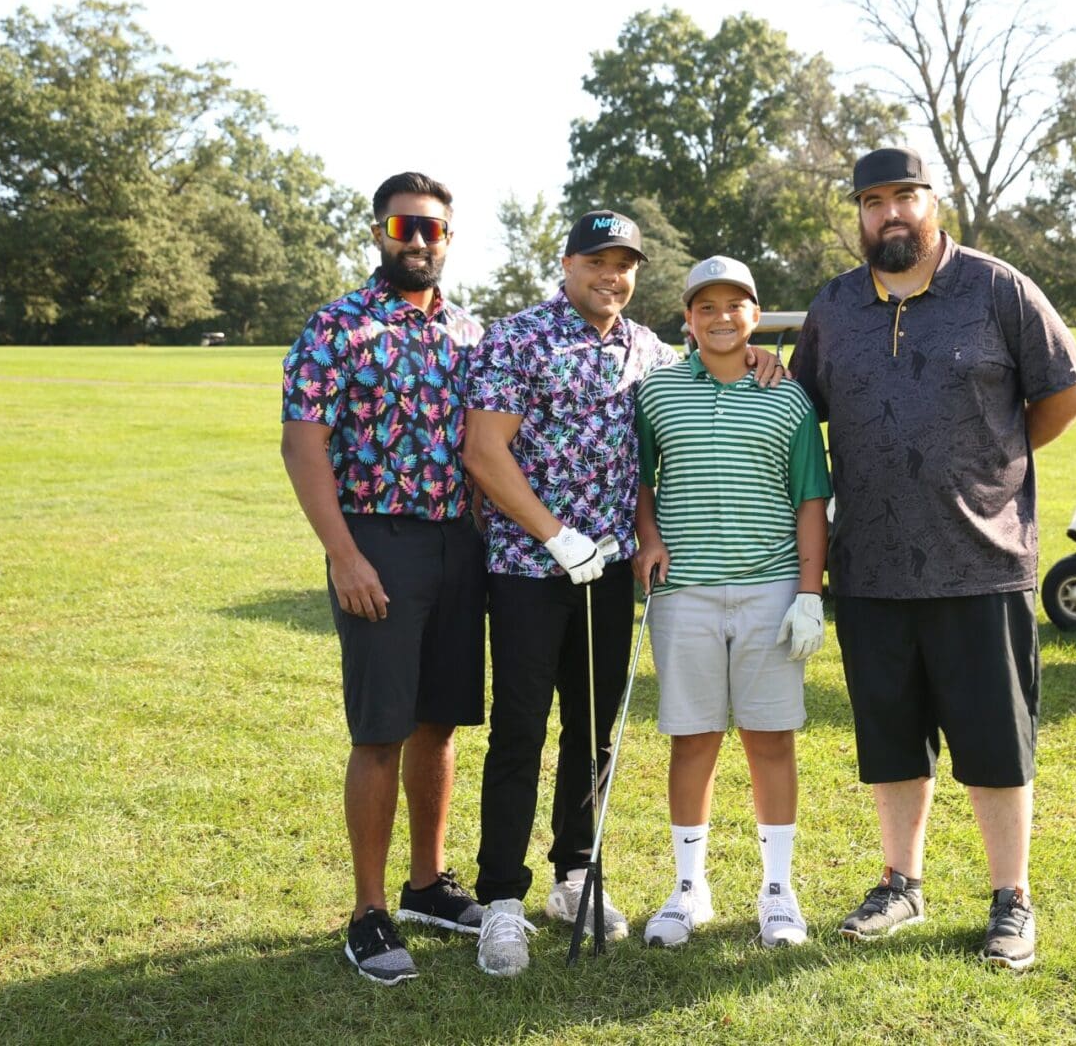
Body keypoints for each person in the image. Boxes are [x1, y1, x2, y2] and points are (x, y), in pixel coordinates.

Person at [788, 147, 1076, 971]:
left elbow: (1068, 389)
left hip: (981, 559)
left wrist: (998, 453)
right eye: (872, 201)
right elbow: (798, 405)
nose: (889, 214)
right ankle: (901, 882)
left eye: (905, 198)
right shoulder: (836, 306)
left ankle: (1011, 898)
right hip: (872, 565)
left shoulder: (997, 289)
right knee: (892, 739)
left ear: (933, 203)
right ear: (858, 213)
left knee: (995, 742)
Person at [462, 211, 784, 977]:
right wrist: (553, 534)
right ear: (567, 263)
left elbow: (711, 373)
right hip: (528, 568)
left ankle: (574, 875)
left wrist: (765, 360)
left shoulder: (649, 349)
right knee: (519, 731)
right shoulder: (518, 337)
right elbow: (484, 450)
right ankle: (502, 899)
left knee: (596, 731)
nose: (612, 275)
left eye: (625, 264)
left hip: (607, 573)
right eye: (597, 261)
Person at [281, 172, 487, 985]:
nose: (419, 241)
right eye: (406, 227)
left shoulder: (471, 333)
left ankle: (426, 885)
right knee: (379, 730)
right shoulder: (336, 328)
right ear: (378, 232)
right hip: (376, 541)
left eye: (434, 229)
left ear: (448, 238)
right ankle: (368, 910)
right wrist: (343, 554)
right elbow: (303, 446)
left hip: (457, 544)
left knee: (439, 723)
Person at [632, 256, 831, 949]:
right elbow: (641, 481)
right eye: (705, 307)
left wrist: (810, 591)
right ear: (687, 320)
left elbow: (811, 498)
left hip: (771, 588)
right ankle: (689, 888)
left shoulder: (790, 397)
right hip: (683, 592)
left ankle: (777, 889)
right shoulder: (656, 393)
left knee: (770, 738)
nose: (721, 318)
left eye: (734, 306)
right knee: (693, 739)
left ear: (756, 314)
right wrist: (647, 537)